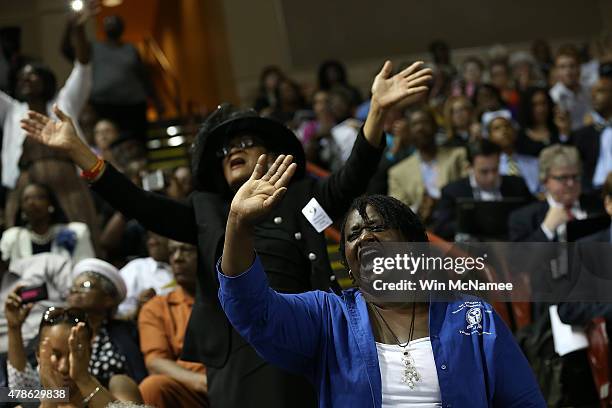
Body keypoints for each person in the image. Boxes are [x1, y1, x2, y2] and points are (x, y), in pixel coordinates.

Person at [20, 60, 432, 407]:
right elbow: (139, 204)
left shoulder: (304, 197)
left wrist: (377, 110)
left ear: (271, 156)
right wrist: (79, 151)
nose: (233, 150)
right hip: (238, 345)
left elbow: (352, 177)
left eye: (247, 142)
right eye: (225, 150)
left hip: (305, 330)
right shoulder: (207, 209)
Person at [216, 156, 545, 407]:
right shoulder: (328, 317)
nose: (363, 238)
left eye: (377, 227)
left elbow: (523, 402)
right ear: (348, 261)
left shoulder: (473, 316)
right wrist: (238, 225)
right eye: (353, 234)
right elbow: (253, 311)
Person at [1, 6, 99, 243]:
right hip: (24, 184)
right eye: (22, 76)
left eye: (32, 74)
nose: (26, 79)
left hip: (69, 183)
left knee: (81, 234)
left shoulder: (64, 102)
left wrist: (77, 31)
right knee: (18, 240)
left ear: (45, 80)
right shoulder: (13, 110)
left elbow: (83, 66)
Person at [6, 258, 147, 390]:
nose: (75, 290)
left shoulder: (127, 333)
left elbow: (140, 381)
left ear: (108, 298)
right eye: (73, 286)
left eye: (85, 285)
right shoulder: (55, 329)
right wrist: (14, 328)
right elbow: (20, 391)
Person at [5, 303, 140, 406]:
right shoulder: (28, 399)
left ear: (89, 353)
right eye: (56, 355)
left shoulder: (118, 385)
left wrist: (84, 379)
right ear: (38, 355)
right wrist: (51, 400)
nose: (64, 367)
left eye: (73, 354)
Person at [63, 14, 162, 140]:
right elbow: (66, 50)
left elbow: (143, 76)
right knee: (106, 141)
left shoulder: (130, 49)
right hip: (103, 105)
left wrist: (157, 101)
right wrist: (70, 26)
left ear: (122, 28)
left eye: (115, 22)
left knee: (136, 141)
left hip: (133, 105)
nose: (111, 24)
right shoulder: (93, 47)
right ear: (103, 28)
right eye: (108, 22)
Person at [138, 240, 208, 407]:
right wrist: (200, 382)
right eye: (172, 252)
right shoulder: (157, 307)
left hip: (235, 382)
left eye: (187, 250)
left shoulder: (231, 299)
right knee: (153, 387)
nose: (177, 258)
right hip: (192, 388)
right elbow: (155, 362)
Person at [432, 139, 533, 240]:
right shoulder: (452, 192)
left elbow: (533, 215)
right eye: (484, 172)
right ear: (469, 167)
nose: (491, 177)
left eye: (495, 169)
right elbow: (441, 228)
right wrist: (468, 224)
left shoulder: (517, 185)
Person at [388, 107, 468, 224]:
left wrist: (441, 201)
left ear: (435, 127)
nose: (420, 128)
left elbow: (469, 190)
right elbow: (397, 212)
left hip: (455, 221)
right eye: (415, 124)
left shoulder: (457, 156)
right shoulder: (397, 172)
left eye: (425, 122)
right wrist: (419, 208)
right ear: (409, 132)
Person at [509, 145, 601, 242]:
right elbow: (520, 256)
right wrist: (547, 229)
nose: (571, 183)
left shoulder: (600, 207)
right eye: (563, 178)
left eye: (575, 177)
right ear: (545, 180)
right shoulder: (523, 218)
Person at [0, 182, 95, 264]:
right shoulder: (12, 237)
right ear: (22, 209)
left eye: (39, 197)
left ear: (50, 203)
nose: (32, 202)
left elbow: (86, 269)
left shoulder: (76, 232)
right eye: (26, 199)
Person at [117, 232, 174, 319]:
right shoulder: (136, 269)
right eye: (149, 237)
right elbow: (116, 315)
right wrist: (139, 309)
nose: (151, 242)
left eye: (158, 236)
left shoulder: (192, 267)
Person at [483, 110, 541, 194]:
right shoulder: (488, 168)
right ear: (489, 136)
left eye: (507, 126)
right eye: (497, 128)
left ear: (515, 132)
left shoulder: (534, 163)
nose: (504, 131)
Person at [571, 76, 612, 192]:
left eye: (600, 91)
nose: (593, 96)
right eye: (592, 92)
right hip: (592, 193)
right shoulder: (584, 133)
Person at [549, 45, 592, 131]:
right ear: (556, 71)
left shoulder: (589, 90)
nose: (568, 72)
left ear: (579, 68)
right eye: (562, 67)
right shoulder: (552, 96)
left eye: (572, 66)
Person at [516, 87, 563, 157]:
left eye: (543, 103)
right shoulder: (520, 137)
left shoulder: (559, 128)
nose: (540, 109)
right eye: (534, 105)